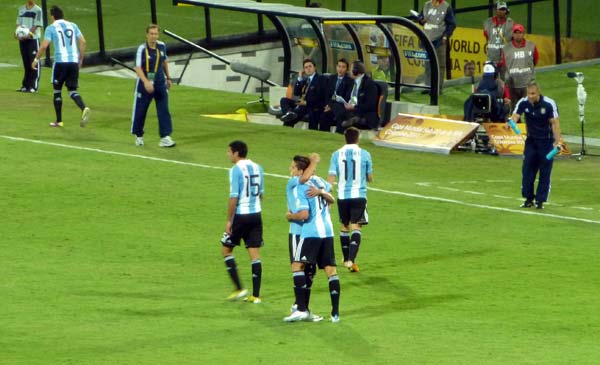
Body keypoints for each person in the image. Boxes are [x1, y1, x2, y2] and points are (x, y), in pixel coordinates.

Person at [284, 155, 340, 323]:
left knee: (299, 266)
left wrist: (289, 216)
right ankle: (331, 313)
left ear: (301, 171)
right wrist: (323, 191)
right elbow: (330, 194)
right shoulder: (319, 182)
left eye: (293, 167)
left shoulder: (299, 183)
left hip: (304, 231)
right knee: (322, 270)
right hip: (326, 232)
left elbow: (304, 214)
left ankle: (300, 308)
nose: (290, 170)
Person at [32, 5, 90, 128]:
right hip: (73, 62)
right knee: (72, 91)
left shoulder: (51, 28)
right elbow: (83, 42)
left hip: (60, 63)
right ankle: (84, 108)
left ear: (52, 16)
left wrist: (36, 59)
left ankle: (59, 121)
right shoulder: (73, 25)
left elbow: (44, 46)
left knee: (57, 91)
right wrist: (80, 59)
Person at [222, 140, 265, 303]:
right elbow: (261, 194)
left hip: (241, 215)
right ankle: (256, 295)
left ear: (236, 153)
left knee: (226, 250)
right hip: (256, 214)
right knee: (254, 255)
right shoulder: (258, 167)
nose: (228, 155)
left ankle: (239, 288)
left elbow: (234, 197)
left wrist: (229, 220)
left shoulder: (235, 170)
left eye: (229, 152)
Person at [509, 81, 562, 210]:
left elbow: (555, 123)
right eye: (528, 93)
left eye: (533, 93)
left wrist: (558, 141)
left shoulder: (549, 104)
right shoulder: (523, 102)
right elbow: (515, 116)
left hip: (546, 142)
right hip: (531, 142)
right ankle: (528, 199)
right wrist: (511, 122)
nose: (530, 96)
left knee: (545, 172)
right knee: (527, 171)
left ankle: (540, 201)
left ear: (538, 92)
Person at [328, 127, 373, 272]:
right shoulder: (365, 154)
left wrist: (327, 196)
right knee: (356, 227)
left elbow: (331, 178)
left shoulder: (336, 154)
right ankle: (351, 260)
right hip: (359, 195)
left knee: (344, 226)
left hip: (342, 196)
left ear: (345, 138)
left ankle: (347, 259)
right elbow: (370, 178)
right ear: (358, 138)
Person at [131, 24, 175, 147]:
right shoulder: (142, 49)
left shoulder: (162, 46)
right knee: (141, 110)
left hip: (160, 82)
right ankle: (139, 136)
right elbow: (137, 67)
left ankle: (165, 137)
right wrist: (145, 82)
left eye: (156, 34)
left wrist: (168, 77)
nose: (154, 36)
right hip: (144, 84)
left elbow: (164, 61)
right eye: (151, 34)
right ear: (147, 35)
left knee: (164, 109)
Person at [417, 0, 456, 94]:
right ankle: (428, 87)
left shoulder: (446, 7)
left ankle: (437, 88)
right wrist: (421, 20)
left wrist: (446, 35)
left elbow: (452, 24)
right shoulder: (427, 5)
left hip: (439, 40)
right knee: (428, 65)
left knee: (439, 65)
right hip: (427, 39)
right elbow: (421, 18)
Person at [279, 58, 327, 129]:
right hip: (301, 103)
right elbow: (296, 93)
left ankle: (289, 119)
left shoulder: (321, 79)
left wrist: (306, 102)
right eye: (306, 67)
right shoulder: (305, 80)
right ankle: (289, 113)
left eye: (310, 66)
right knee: (284, 100)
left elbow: (320, 96)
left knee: (290, 119)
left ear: (315, 67)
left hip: (309, 105)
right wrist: (299, 78)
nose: (308, 69)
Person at [500, 23, 539, 108]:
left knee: (531, 108)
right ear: (512, 34)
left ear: (523, 34)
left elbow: (535, 60)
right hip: (512, 85)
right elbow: (504, 64)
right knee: (512, 110)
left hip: (528, 84)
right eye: (515, 33)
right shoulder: (506, 48)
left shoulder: (531, 46)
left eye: (520, 33)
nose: (518, 35)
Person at [338, 61, 380, 132]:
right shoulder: (351, 82)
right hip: (351, 111)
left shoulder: (369, 84)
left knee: (345, 120)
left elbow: (370, 104)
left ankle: (345, 137)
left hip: (364, 114)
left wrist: (354, 107)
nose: (349, 71)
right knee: (334, 114)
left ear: (356, 71)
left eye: (351, 69)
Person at [318, 58, 354, 132]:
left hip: (341, 106)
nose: (340, 69)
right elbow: (327, 95)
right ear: (336, 67)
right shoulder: (331, 78)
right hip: (331, 106)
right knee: (324, 116)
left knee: (341, 115)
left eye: (343, 67)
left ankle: (338, 135)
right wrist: (329, 105)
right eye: (339, 66)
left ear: (347, 69)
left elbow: (347, 98)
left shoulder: (350, 81)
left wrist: (331, 106)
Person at [16, 0, 43, 93]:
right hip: (23, 40)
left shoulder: (38, 10)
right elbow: (18, 23)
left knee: (34, 63)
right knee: (26, 63)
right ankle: (25, 85)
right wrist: (17, 33)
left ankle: (33, 86)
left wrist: (29, 34)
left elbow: (37, 24)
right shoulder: (21, 9)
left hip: (33, 40)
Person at [483, 1, 513, 80]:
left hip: (505, 59)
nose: (503, 11)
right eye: (500, 9)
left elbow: (512, 39)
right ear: (495, 10)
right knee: (490, 80)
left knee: (505, 81)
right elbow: (487, 36)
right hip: (491, 58)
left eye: (504, 9)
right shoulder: (488, 22)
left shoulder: (510, 23)